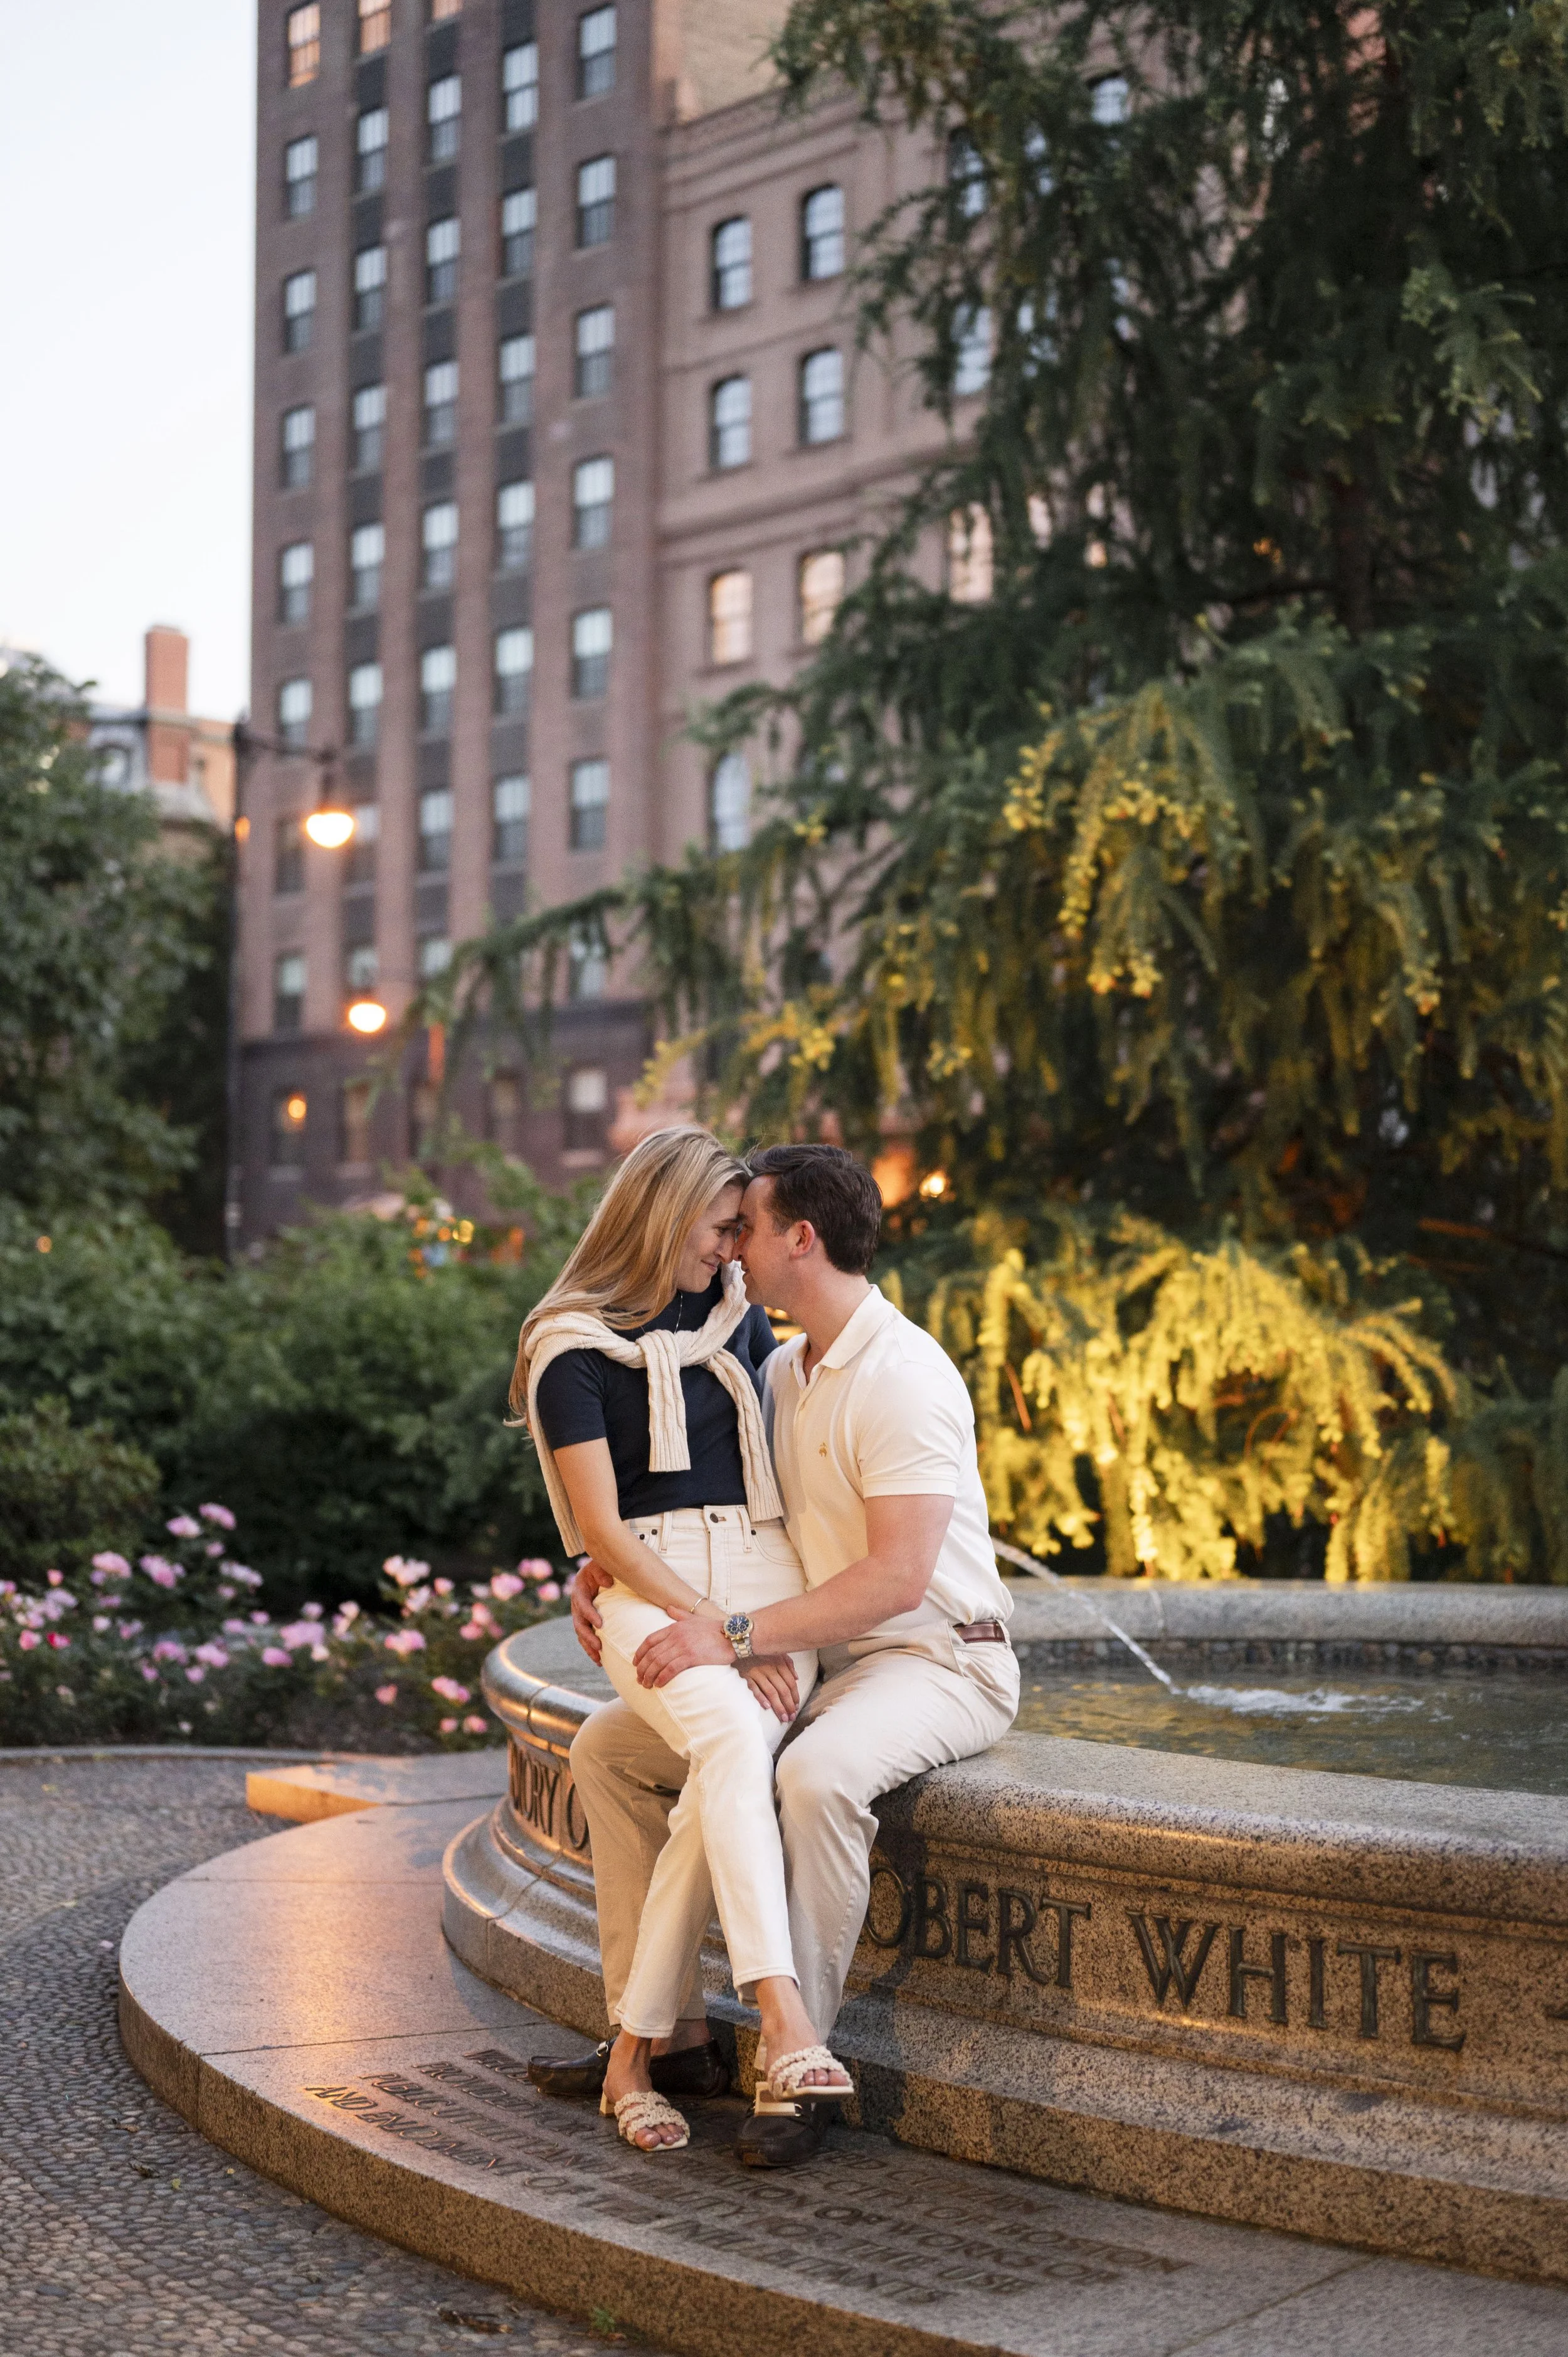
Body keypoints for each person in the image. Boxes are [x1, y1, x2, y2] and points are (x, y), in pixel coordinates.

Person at [546, 1141, 1020, 2167]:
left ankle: (791, 2067)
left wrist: (737, 1635)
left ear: (800, 1238)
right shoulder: (778, 1366)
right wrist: (599, 1569)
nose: (731, 1253)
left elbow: (897, 1581)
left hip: (938, 1659)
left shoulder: (904, 1374)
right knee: (607, 1753)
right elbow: (698, 1505)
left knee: (812, 1776)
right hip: (832, 1660)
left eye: (745, 1231)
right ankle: (669, 2038)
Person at [513, 1127, 854, 2154]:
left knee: (665, 1756)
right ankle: (783, 2019)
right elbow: (606, 1527)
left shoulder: (742, 1325)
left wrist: (756, 1627)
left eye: (741, 1230)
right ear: (664, 1217)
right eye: (720, 1228)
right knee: (727, 1737)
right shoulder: (569, 1346)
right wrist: (707, 1628)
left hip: (765, 1576)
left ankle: (642, 2051)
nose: (733, 1249)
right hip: (648, 1580)